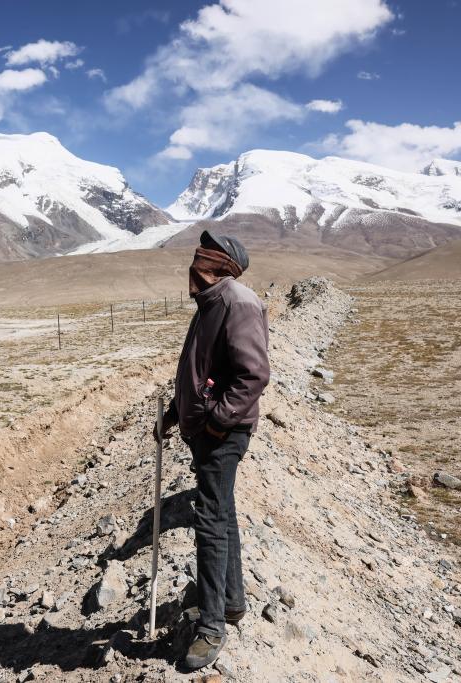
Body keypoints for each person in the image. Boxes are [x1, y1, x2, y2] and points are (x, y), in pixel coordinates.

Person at [154, 230, 270, 670]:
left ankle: (211, 625)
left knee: (209, 521)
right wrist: (174, 414)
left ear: (224, 264)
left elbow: (253, 374)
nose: (196, 258)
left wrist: (216, 423)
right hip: (208, 427)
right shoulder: (208, 304)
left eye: (207, 252)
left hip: (223, 432)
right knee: (221, 511)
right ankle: (232, 602)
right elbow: (199, 371)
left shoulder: (237, 302)